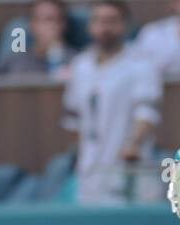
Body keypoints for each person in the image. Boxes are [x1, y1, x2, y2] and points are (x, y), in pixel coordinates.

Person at [63, 0, 161, 204]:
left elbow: (147, 113)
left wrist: (132, 145)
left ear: (124, 25)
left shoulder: (141, 64)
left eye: (111, 21)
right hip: (89, 172)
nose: (104, 27)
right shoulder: (80, 65)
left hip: (128, 173)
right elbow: (73, 118)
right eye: (98, 21)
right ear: (90, 26)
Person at [0, 0, 77, 78]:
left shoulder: (76, 62)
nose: (52, 26)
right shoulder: (16, 63)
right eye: (46, 20)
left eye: (57, 20)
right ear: (32, 24)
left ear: (64, 25)